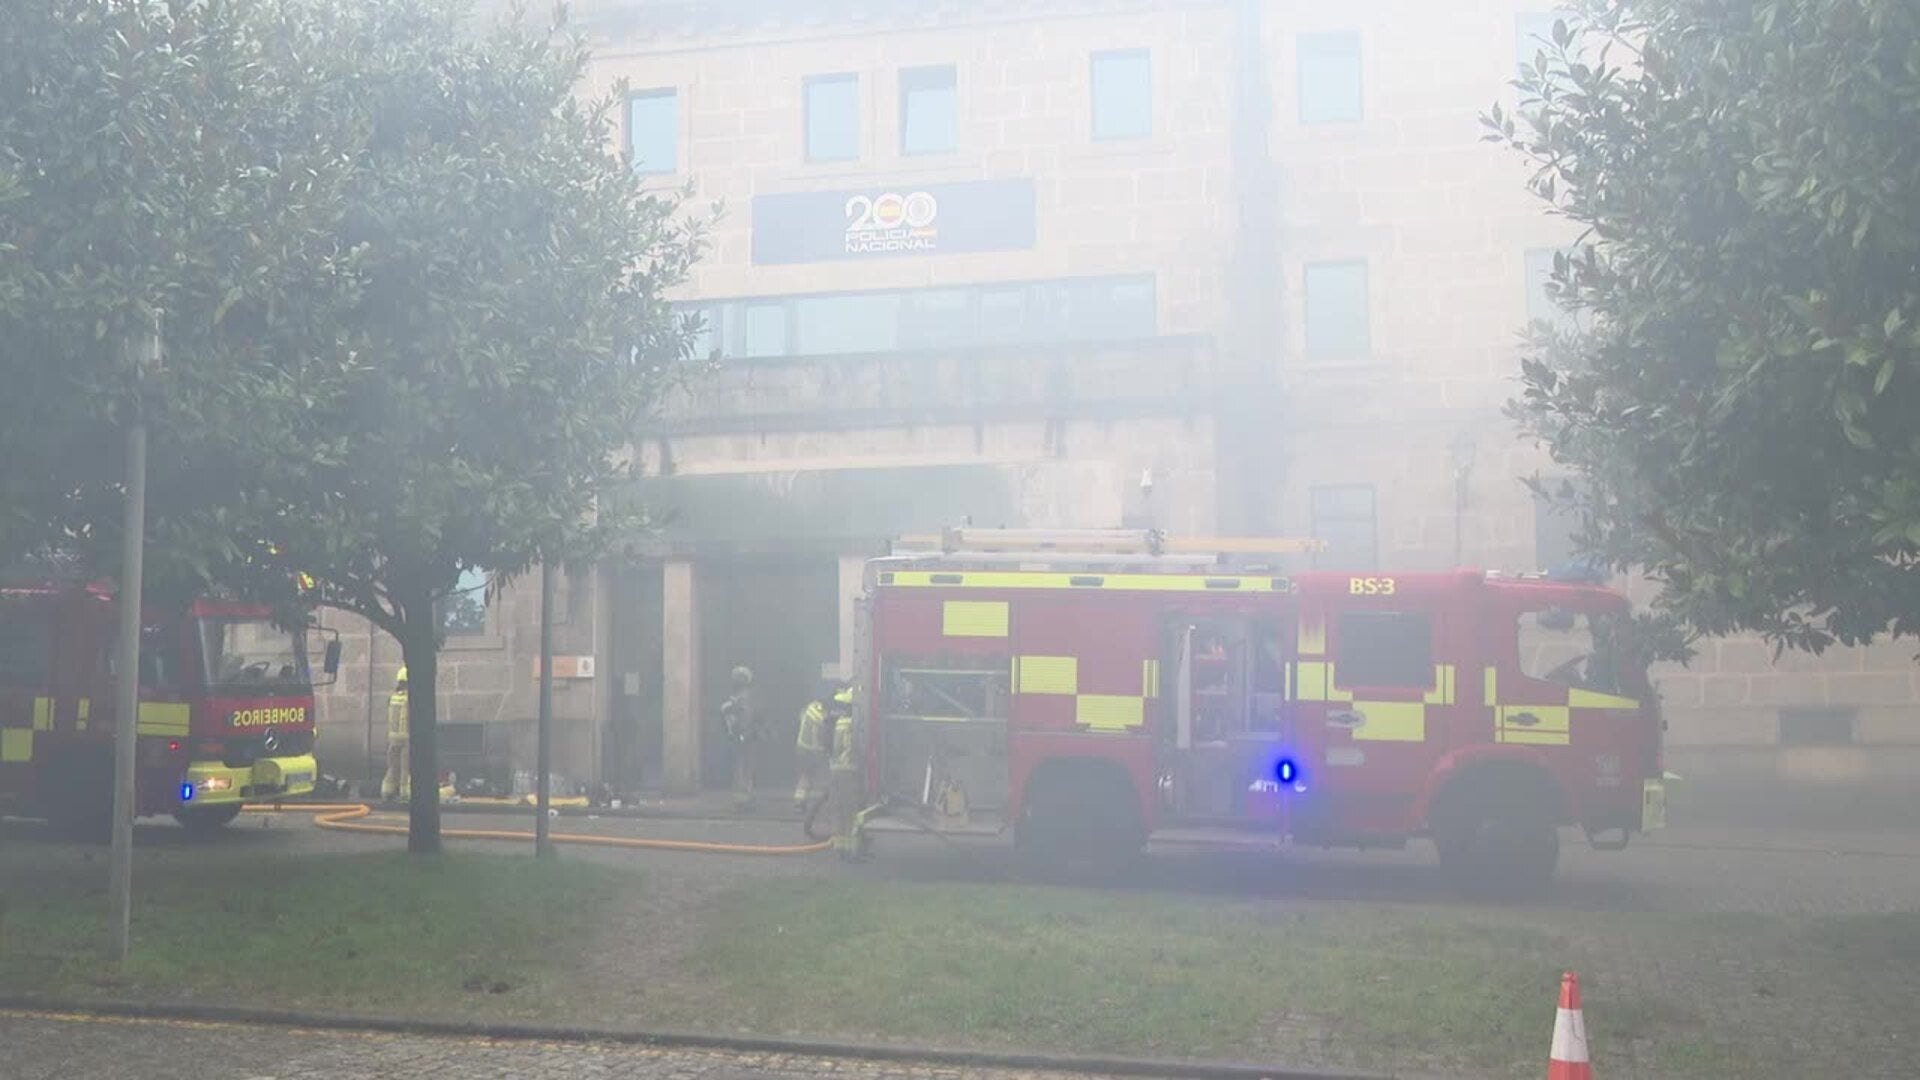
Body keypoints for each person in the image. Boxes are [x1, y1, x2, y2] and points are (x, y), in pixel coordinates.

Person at [827, 686, 865, 859]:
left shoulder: (840, 721)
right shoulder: (854, 724)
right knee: (852, 812)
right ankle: (852, 849)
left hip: (835, 769)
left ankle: (839, 846)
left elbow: (834, 747)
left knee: (838, 809)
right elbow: (857, 748)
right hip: (850, 770)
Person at [719, 665, 762, 809]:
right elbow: (746, 718)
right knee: (744, 768)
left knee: (741, 767)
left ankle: (742, 798)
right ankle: (742, 799)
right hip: (743, 737)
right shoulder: (743, 698)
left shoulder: (737, 698)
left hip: (741, 737)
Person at [792, 681, 834, 814]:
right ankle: (827, 805)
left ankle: (799, 801)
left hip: (801, 747)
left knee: (805, 775)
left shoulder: (809, 707)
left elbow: (800, 718)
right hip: (813, 750)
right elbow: (822, 733)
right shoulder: (821, 714)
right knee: (825, 777)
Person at [381, 667, 411, 803]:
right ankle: (405, 795)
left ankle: (387, 792)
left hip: (393, 740)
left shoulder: (392, 697)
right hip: (407, 739)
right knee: (406, 768)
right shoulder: (410, 698)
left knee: (392, 768)